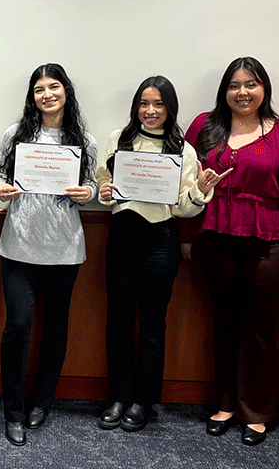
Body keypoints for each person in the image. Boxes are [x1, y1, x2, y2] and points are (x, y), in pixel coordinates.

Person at [185, 57, 279, 446]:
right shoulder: (204, 127)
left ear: (264, 90)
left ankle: (257, 411)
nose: (242, 92)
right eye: (234, 85)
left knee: (259, 329)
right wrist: (187, 234)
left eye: (251, 84)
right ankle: (225, 404)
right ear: (224, 90)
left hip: (270, 243)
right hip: (215, 239)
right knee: (224, 324)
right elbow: (184, 185)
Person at [97, 76, 226, 433]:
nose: (150, 111)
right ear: (136, 106)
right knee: (119, 320)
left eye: (158, 104)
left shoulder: (182, 150)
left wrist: (200, 191)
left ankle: (143, 400)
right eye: (144, 104)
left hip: (160, 241)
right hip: (123, 236)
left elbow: (183, 209)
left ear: (170, 108)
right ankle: (119, 396)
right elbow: (102, 190)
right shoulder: (117, 140)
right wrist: (104, 192)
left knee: (153, 325)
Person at [0, 63, 97, 446]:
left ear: (66, 92)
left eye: (54, 87)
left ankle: (42, 402)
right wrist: (1, 188)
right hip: (19, 244)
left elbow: (90, 184)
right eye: (39, 89)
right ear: (32, 96)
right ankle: (13, 411)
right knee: (18, 326)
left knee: (55, 328)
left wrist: (88, 193)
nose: (47, 94)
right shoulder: (15, 135)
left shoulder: (83, 139)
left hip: (64, 248)